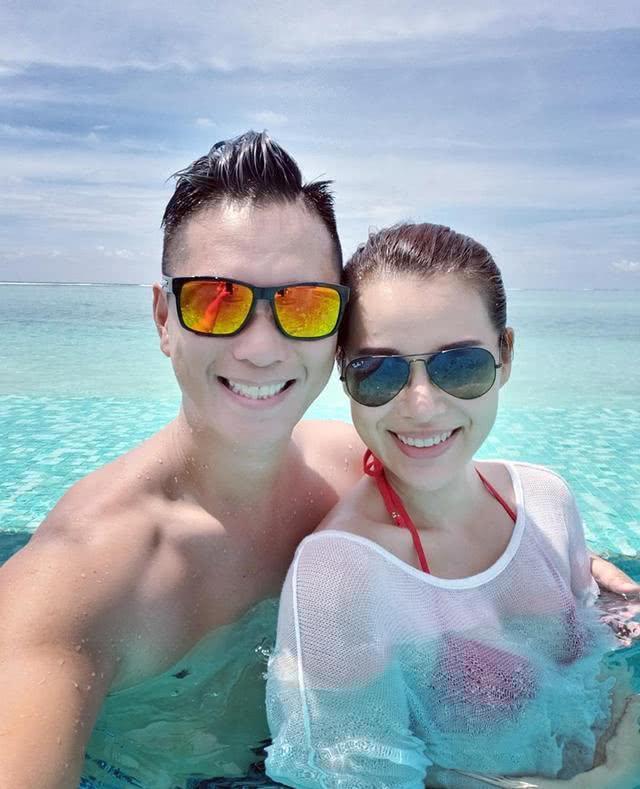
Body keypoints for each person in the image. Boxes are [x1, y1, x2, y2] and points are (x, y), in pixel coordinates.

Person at [0, 134, 634, 789]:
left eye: (303, 305)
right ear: (164, 318)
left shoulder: (355, 459)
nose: (261, 347)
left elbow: (462, 489)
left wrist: (571, 559)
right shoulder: (71, 585)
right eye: (215, 301)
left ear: (337, 332)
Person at [265, 222, 640, 788]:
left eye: (458, 365)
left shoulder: (546, 498)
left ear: (505, 356)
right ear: (344, 377)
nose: (420, 406)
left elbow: (599, 663)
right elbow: (357, 777)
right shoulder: (338, 579)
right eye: (378, 370)